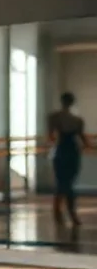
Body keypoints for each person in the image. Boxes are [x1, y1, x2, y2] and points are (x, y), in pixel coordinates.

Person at [47, 91, 90, 227]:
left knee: (61, 182)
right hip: (72, 152)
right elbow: (83, 140)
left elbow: (51, 136)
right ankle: (71, 213)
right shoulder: (78, 120)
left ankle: (58, 211)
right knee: (69, 183)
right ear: (72, 102)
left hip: (61, 151)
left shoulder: (54, 117)